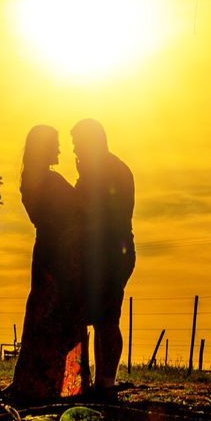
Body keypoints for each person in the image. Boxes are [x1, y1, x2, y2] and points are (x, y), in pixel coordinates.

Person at [4, 125, 86, 403]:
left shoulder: (32, 179)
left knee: (45, 317)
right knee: (60, 318)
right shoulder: (48, 182)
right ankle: (61, 386)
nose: (60, 149)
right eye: (56, 143)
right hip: (60, 256)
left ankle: (42, 383)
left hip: (49, 254)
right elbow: (76, 211)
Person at [72, 118, 135, 396]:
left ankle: (105, 382)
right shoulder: (107, 169)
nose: (75, 152)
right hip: (106, 253)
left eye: (78, 145)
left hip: (111, 254)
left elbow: (91, 212)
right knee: (100, 317)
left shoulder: (107, 171)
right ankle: (97, 381)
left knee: (107, 318)